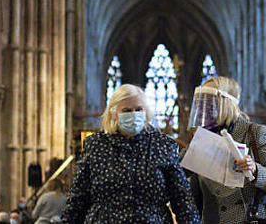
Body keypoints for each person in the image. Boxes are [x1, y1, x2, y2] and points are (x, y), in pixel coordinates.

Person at [62, 84, 200, 223]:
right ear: (113, 113)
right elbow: (78, 199)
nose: (133, 114)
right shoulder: (95, 145)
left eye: (138, 109)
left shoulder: (163, 145)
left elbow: (182, 199)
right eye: (127, 110)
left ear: (146, 112)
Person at [185, 77, 266, 223]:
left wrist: (255, 170)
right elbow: (177, 169)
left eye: (209, 100)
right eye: (201, 100)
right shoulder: (203, 139)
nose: (203, 107)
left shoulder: (255, 132)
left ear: (226, 102)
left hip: (251, 219)